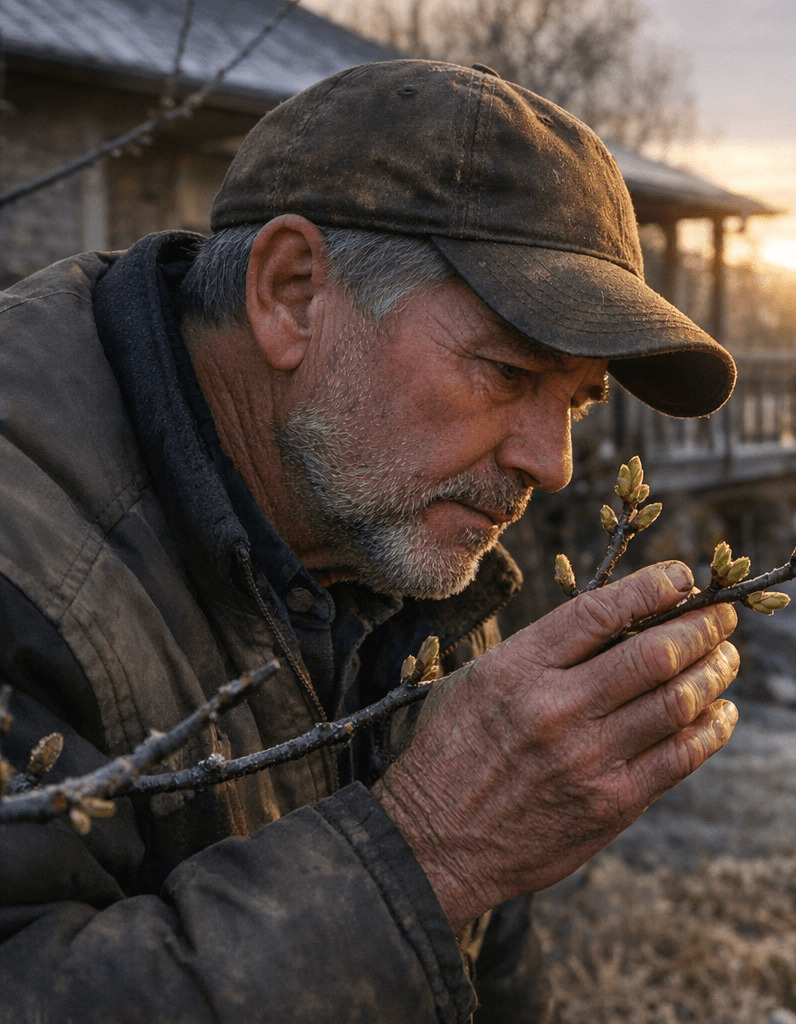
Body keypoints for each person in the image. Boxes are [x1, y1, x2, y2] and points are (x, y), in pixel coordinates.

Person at [0, 60, 741, 1022]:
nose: (552, 462)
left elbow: (486, 969)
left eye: (579, 399)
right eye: (511, 373)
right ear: (293, 293)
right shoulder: (26, 559)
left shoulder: (395, 538)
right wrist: (427, 852)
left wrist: (466, 852)